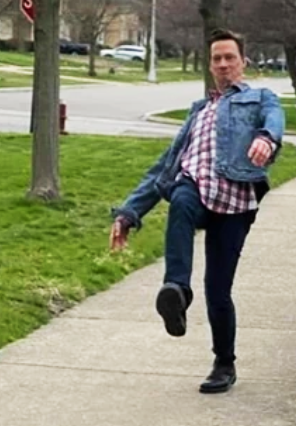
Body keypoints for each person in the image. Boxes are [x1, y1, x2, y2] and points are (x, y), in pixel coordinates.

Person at [109, 29, 285, 394]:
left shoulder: (259, 98)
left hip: (234, 201)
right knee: (182, 197)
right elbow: (163, 168)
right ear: (211, 65)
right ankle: (176, 291)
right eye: (217, 59)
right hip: (196, 188)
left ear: (243, 62)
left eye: (229, 58)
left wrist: (266, 139)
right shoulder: (198, 111)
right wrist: (129, 213)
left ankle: (224, 363)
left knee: (218, 290)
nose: (222, 64)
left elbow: (274, 119)